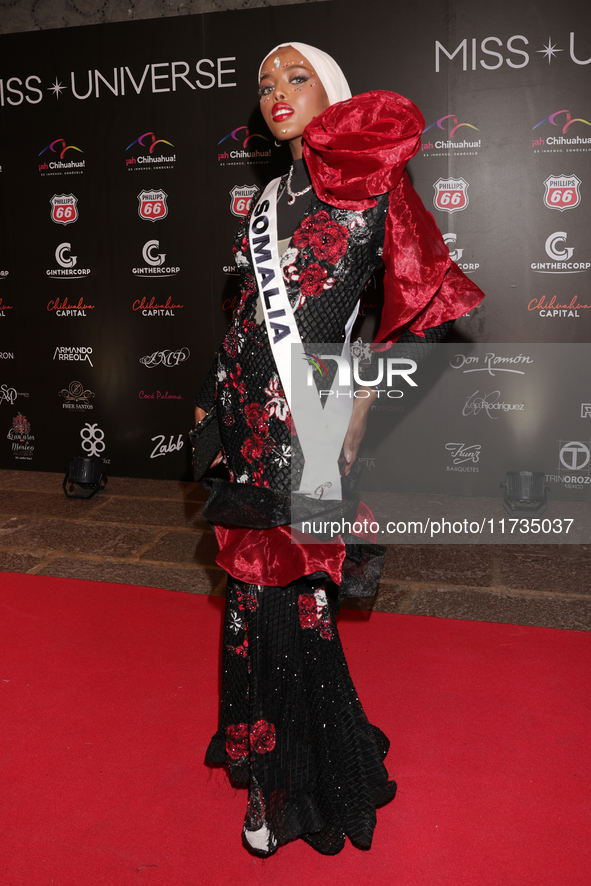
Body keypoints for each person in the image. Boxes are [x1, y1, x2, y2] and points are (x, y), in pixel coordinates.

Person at [195, 42, 484, 856]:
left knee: (286, 592)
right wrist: (219, 410)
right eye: (263, 84)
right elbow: (247, 320)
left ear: (334, 94)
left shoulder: (373, 184)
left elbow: (427, 303)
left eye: (295, 78)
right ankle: (291, 749)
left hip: (313, 416)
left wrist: (360, 408)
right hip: (246, 418)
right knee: (263, 591)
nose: (275, 93)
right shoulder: (263, 201)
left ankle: (286, 789)